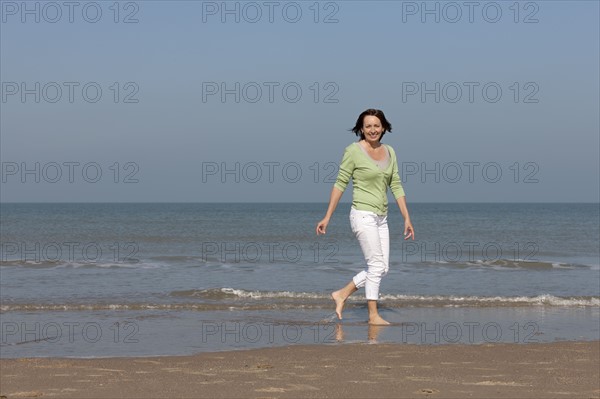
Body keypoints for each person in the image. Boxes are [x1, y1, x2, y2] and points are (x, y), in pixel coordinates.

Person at [316, 108, 415, 325]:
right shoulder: (353, 151)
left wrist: (407, 218)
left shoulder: (390, 151)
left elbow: (396, 185)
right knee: (376, 266)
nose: (372, 130)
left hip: (382, 217)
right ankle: (373, 315)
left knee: (382, 268)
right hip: (362, 214)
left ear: (383, 128)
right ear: (361, 128)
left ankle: (342, 294)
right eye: (368, 126)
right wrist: (327, 216)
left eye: (376, 126)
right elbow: (340, 183)